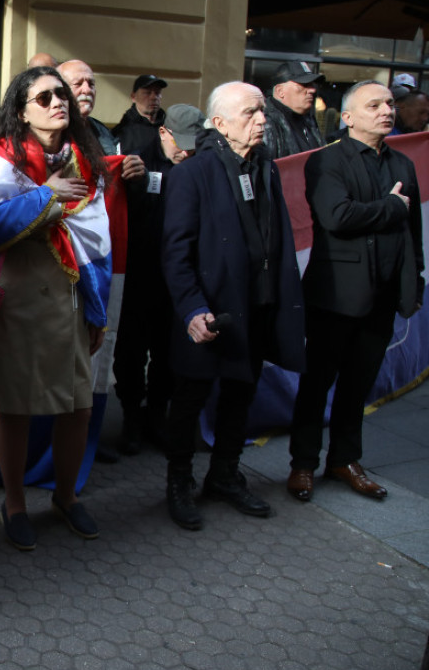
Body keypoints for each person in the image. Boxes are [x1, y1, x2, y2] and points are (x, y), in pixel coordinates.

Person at [0, 66, 113, 550]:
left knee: (78, 406)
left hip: (74, 296)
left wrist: (98, 309)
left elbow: (97, 243)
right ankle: (14, 504)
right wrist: (47, 198)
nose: (59, 102)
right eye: (45, 96)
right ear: (22, 109)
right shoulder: (1, 160)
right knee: (18, 409)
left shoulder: (85, 160)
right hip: (23, 298)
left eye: (63, 95)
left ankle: (67, 497)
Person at [162, 81, 305, 531]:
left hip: (256, 306)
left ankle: (224, 475)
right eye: (250, 113)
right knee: (189, 400)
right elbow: (175, 252)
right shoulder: (192, 173)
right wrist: (191, 310)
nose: (261, 119)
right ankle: (179, 483)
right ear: (219, 123)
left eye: (262, 110)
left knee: (241, 397)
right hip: (208, 312)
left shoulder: (265, 166)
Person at [288, 80, 424, 502]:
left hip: (384, 296)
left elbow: (412, 231)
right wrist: (391, 207)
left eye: (388, 104)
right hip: (336, 296)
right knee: (317, 383)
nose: (386, 110)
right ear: (347, 118)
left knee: (358, 384)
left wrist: (414, 279)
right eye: (374, 105)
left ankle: (344, 460)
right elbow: (338, 216)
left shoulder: (402, 164)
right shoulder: (326, 162)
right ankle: (303, 465)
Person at [57, 58, 146, 464]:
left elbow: (113, 188)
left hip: (99, 260)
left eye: (91, 82)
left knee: (95, 350)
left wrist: (133, 171)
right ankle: (49, 452)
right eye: (78, 82)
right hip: (59, 265)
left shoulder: (103, 136)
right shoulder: (42, 135)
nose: (88, 88)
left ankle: (85, 443)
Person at [113, 104, 205, 456]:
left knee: (168, 355)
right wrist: (130, 185)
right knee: (131, 355)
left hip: (178, 281)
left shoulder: (198, 165)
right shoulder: (137, 163)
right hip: (140, 277)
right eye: (179, 142)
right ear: (163, 133)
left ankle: (156, 417)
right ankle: (131, 420)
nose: (186, 151)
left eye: (192, 144)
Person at [262, 60, 326, 159]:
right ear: (280, 91)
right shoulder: (264, 122)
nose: (312, 90)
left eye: (312, 85)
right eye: (304, 84)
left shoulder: (308, 119)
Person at [113, 74, 167, 154]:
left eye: (157, 93)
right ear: (133, 97)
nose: (154, 97)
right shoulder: (123, 131)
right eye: (147, 93)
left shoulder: (169, 127)